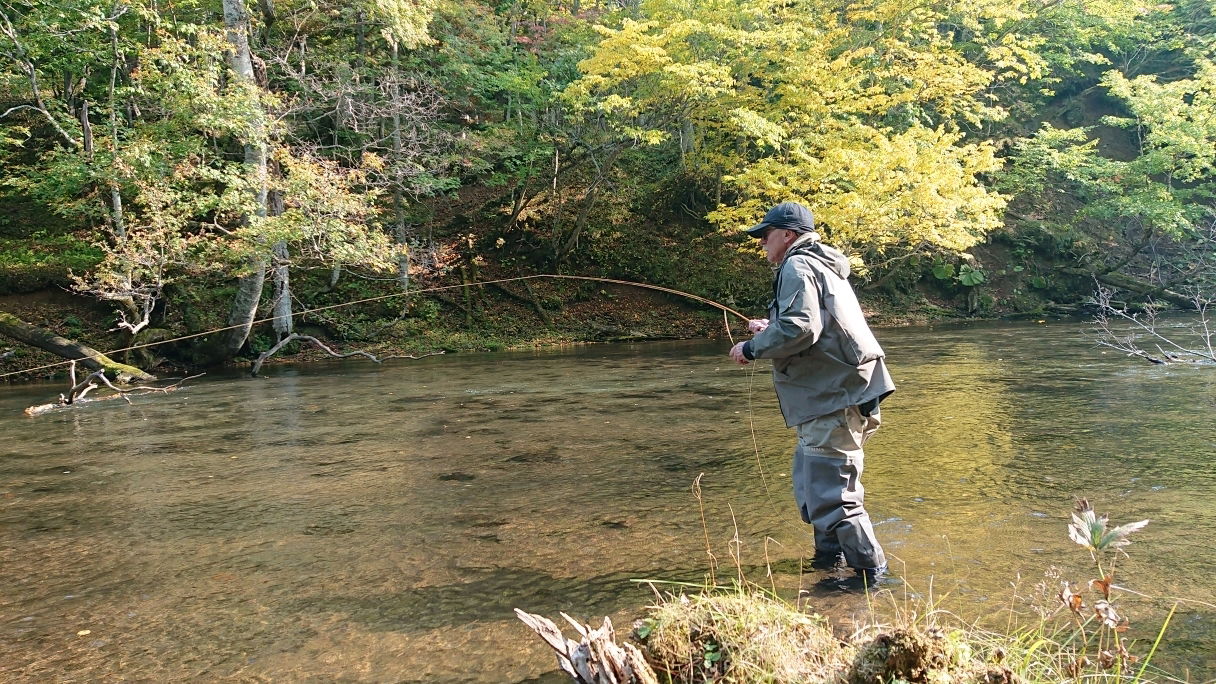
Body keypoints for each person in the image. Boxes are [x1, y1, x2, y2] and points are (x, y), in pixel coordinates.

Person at [728, 201, 895, 584]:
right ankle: (828, 564)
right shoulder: (821, 264)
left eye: (765, 236)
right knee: (813, 482)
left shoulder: (797, 264)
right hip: (844, 393)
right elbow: (811, 323)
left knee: (832, 494)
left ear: (787, 235)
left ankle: (871, 579)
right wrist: (770, 327)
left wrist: (751, 349)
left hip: (832, 398)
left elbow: (802, 327)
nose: (761, 245)